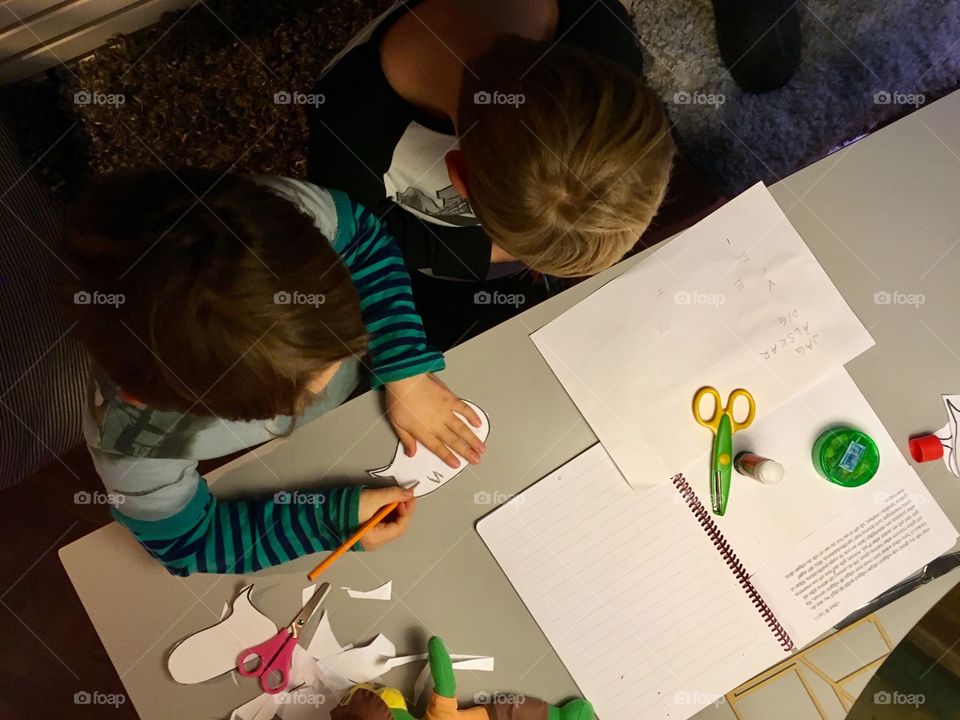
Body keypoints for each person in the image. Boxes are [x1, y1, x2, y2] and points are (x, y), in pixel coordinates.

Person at [58, 168, 485, 576]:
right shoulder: (133, 446)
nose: (332, 376)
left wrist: (405, 370)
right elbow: (187, 542)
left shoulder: (282, 217)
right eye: (293, 398)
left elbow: (363, 239)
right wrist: (326, 520)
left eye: (341, 342)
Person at [308, 0, 676, 346]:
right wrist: (492, 252)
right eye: (525, 254)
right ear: (460, 176)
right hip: (428, 249)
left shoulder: (603, 31)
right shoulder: (346, 131)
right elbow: (357, 231)